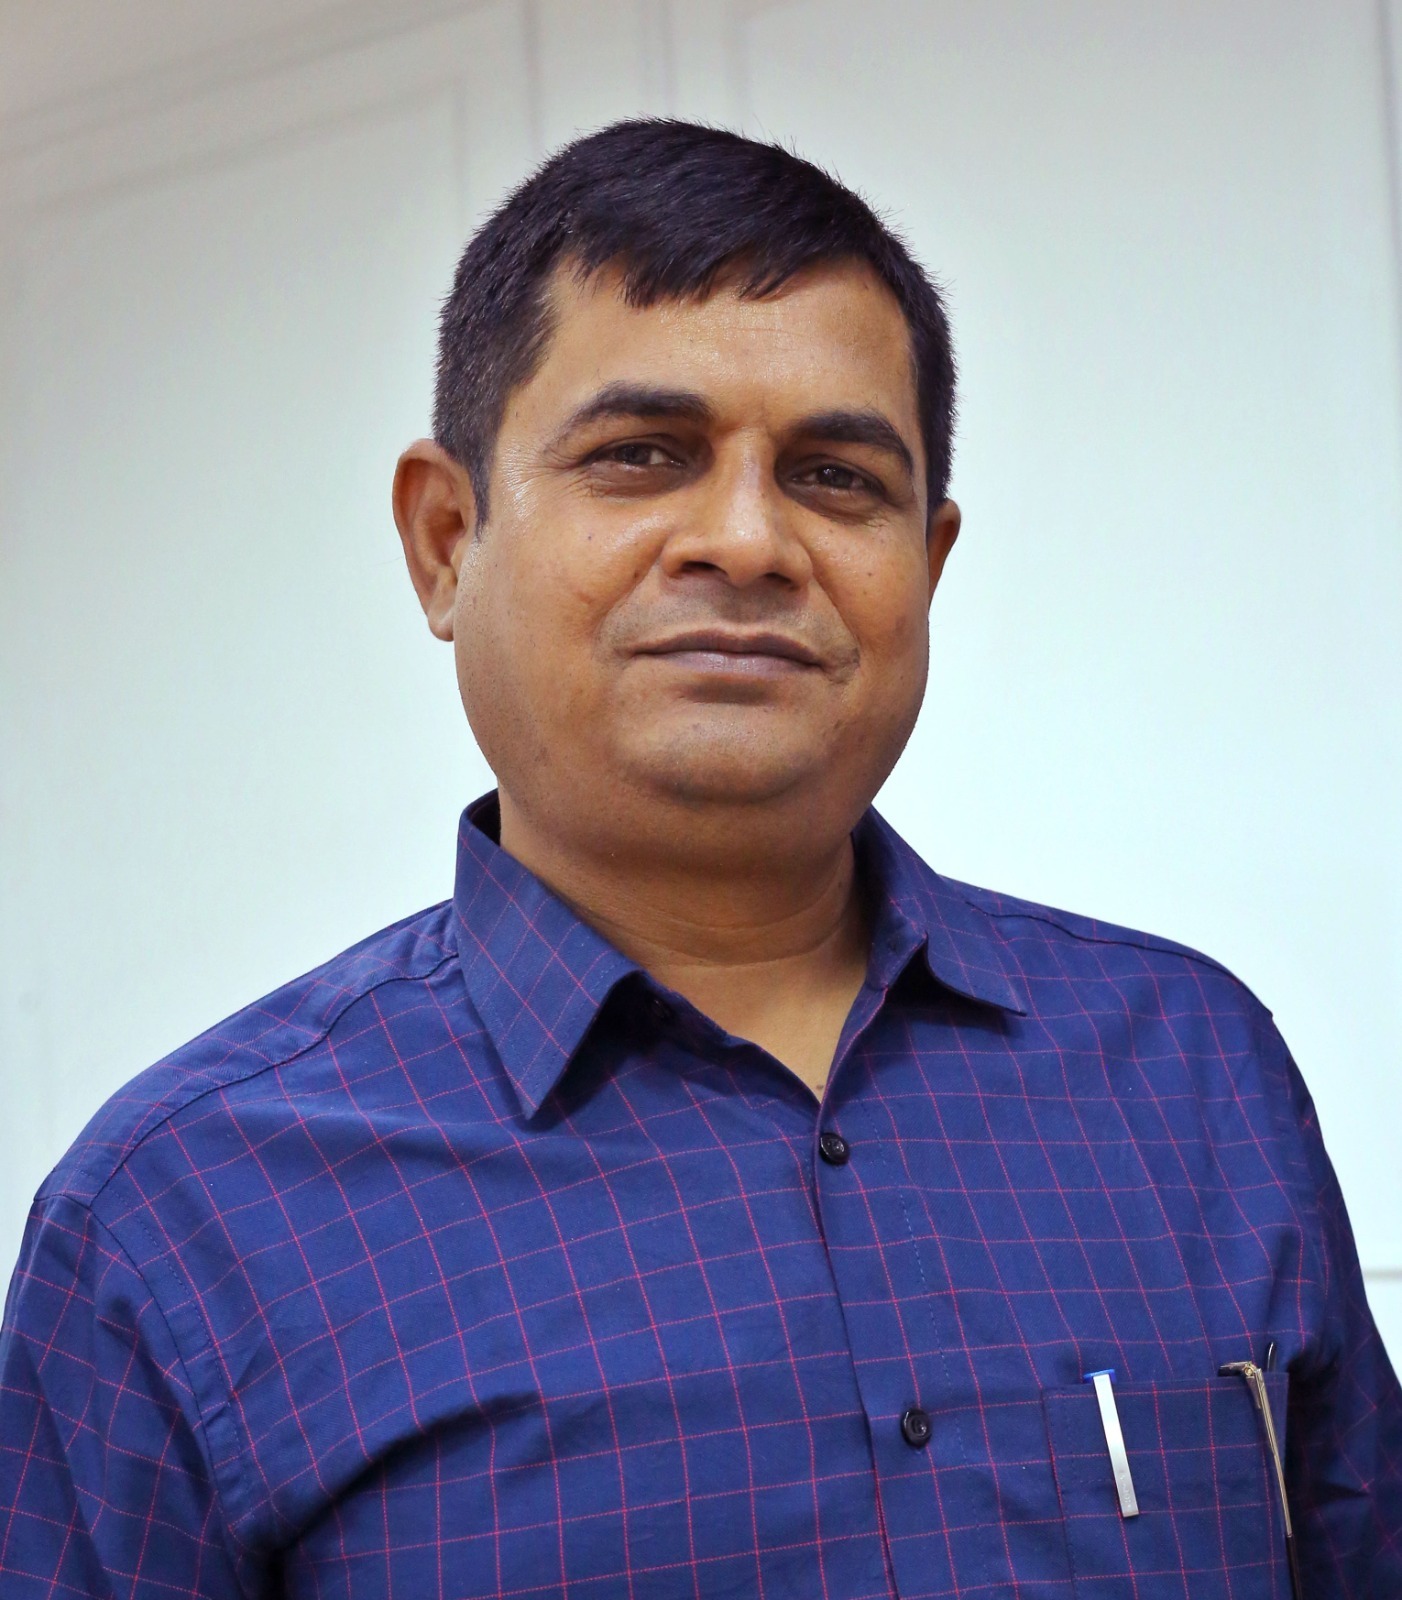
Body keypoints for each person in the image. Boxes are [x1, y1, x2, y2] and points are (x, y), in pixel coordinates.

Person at [0, 118, 1397, 1600]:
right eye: (641, 456)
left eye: (835, 478)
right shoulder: (178, 1224)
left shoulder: (1188, 1073)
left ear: (925, 567)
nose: (746, 541)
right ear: (446, 539)